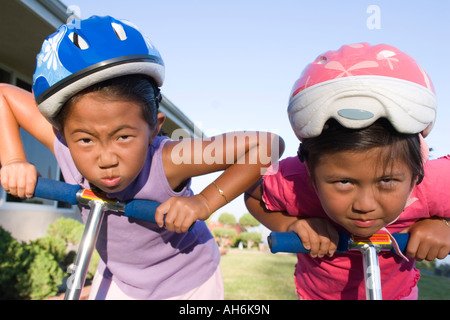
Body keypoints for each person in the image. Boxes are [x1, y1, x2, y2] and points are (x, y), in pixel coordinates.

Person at [0, 16, 283, 300]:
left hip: (186, 283)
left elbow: (267, 146)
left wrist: (204, 202)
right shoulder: (63, 145)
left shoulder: (168, 159)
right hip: (121, 279)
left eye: (123, 137)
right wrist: (13, 160)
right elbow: (4, 95)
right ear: (63, 133)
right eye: (86, 139)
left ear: (153, 129)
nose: (106, 158)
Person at [245, 43, 450, 300]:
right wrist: (292, 224)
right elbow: (253, 193)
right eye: (343, 182)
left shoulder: (434, 184)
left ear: (416, 171)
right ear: (310, 171)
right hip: (316, 295)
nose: (365, 205)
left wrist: (443, 225)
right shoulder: (294, 181)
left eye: (387, 180)